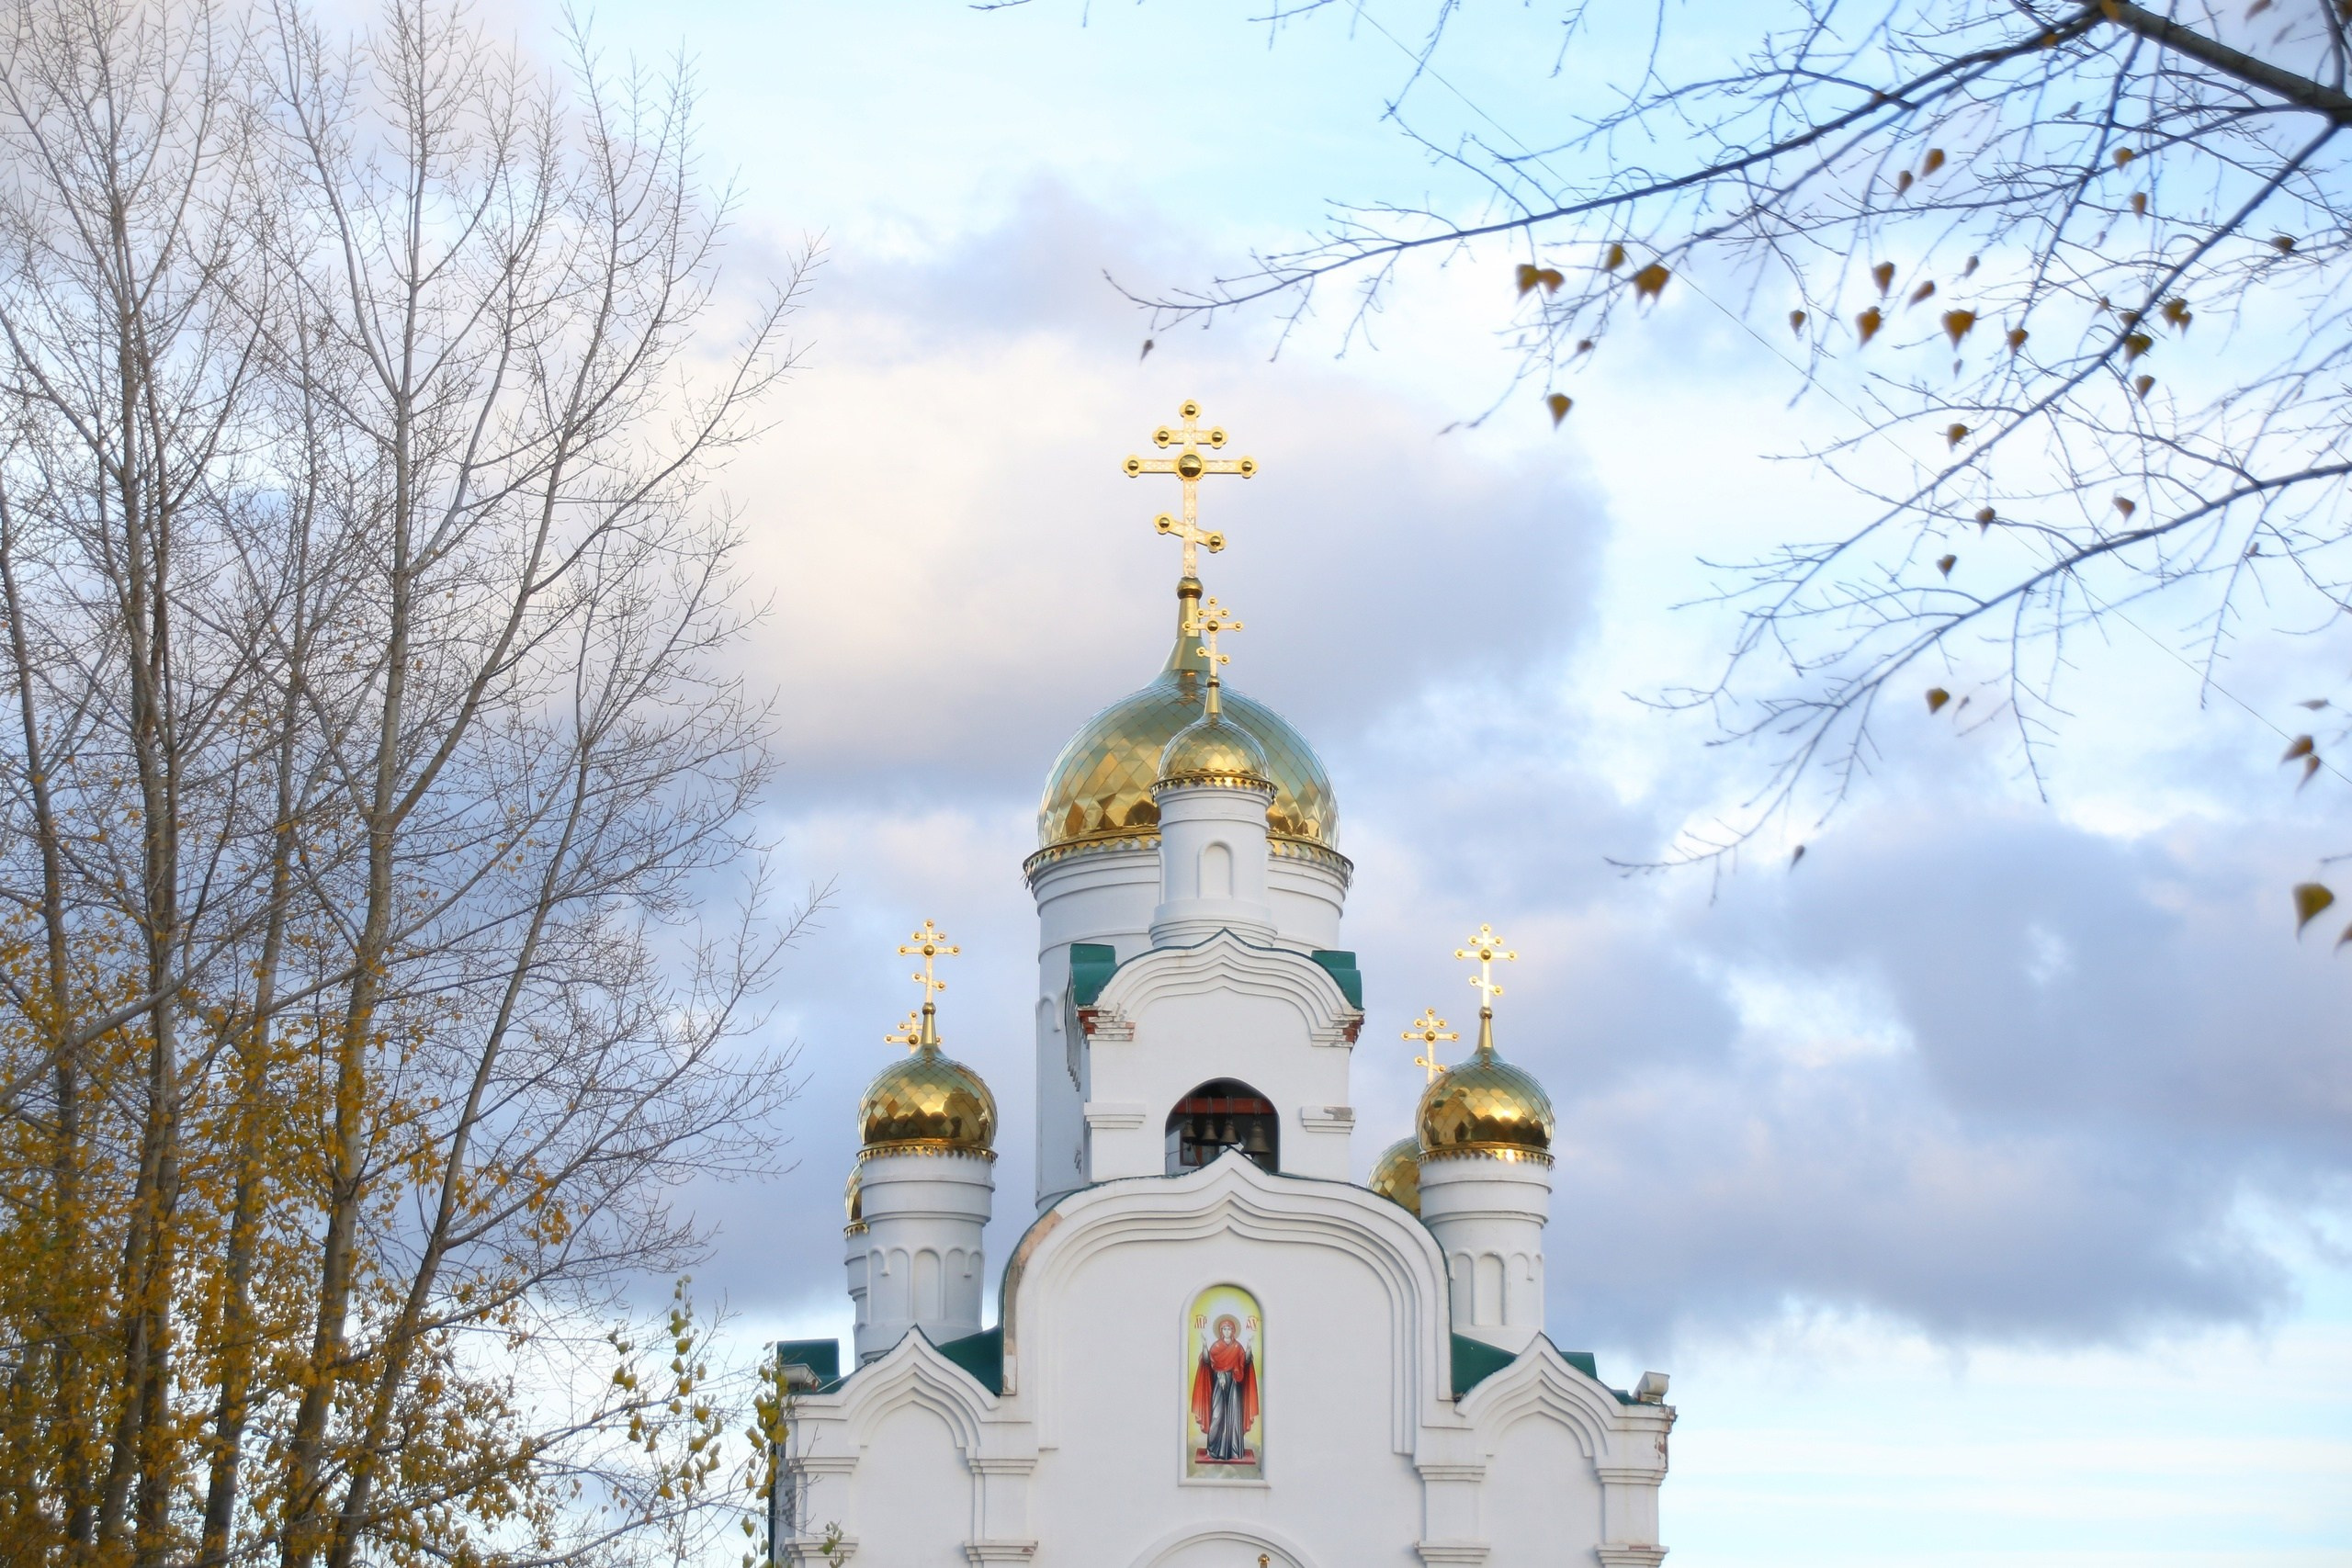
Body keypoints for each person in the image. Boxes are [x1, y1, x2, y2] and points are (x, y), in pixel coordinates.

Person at [1190, 1314, 1259, 1461]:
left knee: (1234, 1416)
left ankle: (1233, 1451)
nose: (1227, 1331)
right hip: (1219, 1382)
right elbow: (1207, 1361)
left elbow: (1245, 1362)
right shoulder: (1216, 1346)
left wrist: (1248, 1347)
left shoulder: (1237, 1347)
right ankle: (1214, 1449)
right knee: (1217, 1414)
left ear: (1233, 1331)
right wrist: (1204, 1345)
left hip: (1234, 1382)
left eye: (1229, 1329)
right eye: (1224, 1329)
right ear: (1221, 1331)